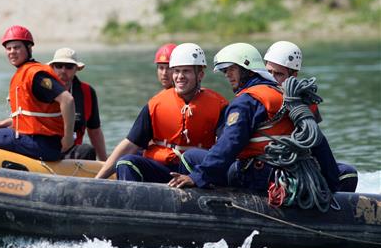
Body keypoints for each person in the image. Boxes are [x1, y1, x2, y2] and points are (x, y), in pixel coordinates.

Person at [168, 43, 341, 193]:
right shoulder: (292, 98)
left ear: (247, 70)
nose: (227, 75)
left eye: (231, 69)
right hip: (295, 174)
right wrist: (333, 185)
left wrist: (198, 177)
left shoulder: (248, 101)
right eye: (225, 71)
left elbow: (230, 143)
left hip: (258, 177)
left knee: (190, 156)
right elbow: (319, 143)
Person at [95, 43, 228, 182]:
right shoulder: (156, 104)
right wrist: (98, 180)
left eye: (186, 71)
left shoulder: (218, 105)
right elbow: (130, 144)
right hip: (162, 167)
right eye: (176, 71)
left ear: (200, 75)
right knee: (126, 162)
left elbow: (226, 147)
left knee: (191, 158)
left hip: (193, 170)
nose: (180, 76)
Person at [264, 41, 358, 192]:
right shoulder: (257, 99)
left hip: (297, 161)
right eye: (268, 72)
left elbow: (316, 140)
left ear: (293, 75)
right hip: (267, 164)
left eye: (278, 74)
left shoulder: (306, 102)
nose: (272, 78)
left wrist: (332, 178)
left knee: (347, 174)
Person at [0, 25, 75, 161]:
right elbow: (30, 116)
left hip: (43, 143)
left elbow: (67, 100)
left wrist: (68, 138)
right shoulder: (23, 73)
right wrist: (2, 124)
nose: (12, 52)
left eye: (17, 47)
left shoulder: (37, 75)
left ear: (29, 48)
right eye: (8, 48)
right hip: (33, 140)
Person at [48, 48, 108, 161]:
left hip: (72, 153)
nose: (63, 70)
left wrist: (105, 163)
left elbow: (95, 131)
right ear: (52, 68)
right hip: (45, 149)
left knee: (87, 151)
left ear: (77, 69)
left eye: (69, 67)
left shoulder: (88, 92)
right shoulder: (42, 88)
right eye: (59, 66)